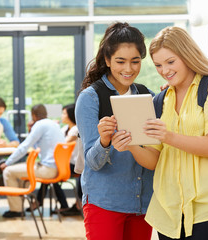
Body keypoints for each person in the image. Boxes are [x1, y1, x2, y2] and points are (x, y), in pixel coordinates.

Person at [111, 26, 208, 240]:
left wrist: (168, 136)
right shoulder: (162, 99)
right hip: (169, 208)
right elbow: (155, 160)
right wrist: (129, 143)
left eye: (170, 62)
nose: (164, 70)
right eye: (158, 65)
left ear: (187, 56)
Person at [75, 22, 154, 240]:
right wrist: (104, 141)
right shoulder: (90, 98)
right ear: (108, 60)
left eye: (135, 61)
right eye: (120, 61)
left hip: (142, 203)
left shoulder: (148, 96)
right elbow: (93, 163)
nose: (128, 69)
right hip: (105, 203)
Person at [0, 104, 67, 218]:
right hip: (57, 168)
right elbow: (38, 148)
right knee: (18, 173)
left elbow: (24, 147)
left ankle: (16, 210)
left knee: (8, 171)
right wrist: (31, 130)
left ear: (33, 115)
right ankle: (19, 206)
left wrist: (7, 163)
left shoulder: (40, 125)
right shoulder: (53, 125)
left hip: (48, 169)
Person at [59, 103, 83, 216]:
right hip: (68, 162)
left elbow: (61, 144)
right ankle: (66, 205)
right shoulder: (64, 128)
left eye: (64, 113)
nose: (62, 115)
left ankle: (67, 205)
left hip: (74, 164)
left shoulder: (76, 129)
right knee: (51, 173)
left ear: (70, 115)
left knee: (52, 173)